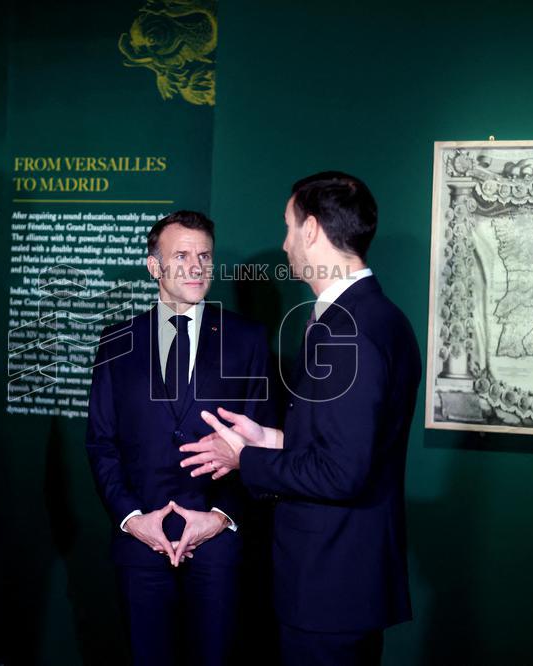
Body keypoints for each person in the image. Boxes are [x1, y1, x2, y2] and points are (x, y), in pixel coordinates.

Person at [180, 172, 422, 666]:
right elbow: (352, 441)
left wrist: (245, 458)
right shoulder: (379, 317)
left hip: (328, 584)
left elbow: (342, 472)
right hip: (346, 579)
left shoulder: (344, 332)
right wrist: (272, 437)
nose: (285, 243)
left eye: (289, 227)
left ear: (311, 230)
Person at [85, 211, 273, 666]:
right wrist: (131, 518)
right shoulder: (117, 342)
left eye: (204, 256)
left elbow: (261, 443)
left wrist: (221, 516)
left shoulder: (247, 340)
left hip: (217, 541)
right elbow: (101, 443)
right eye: (181, 255)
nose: (195, 266)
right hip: (140, 540)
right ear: (154, 266)